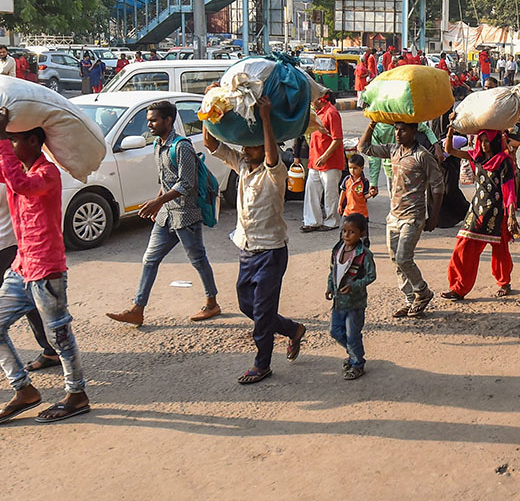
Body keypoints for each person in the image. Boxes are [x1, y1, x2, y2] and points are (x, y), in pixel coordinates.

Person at [203, 96, 307, 384]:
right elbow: (211, 144)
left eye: (252, 146)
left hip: (271, 251)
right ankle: (293, 330)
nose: (246, 150)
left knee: (262, 312)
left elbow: (272, 156)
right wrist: (207, 107)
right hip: (247, 250)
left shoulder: (276, 173)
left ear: (264, 147)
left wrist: (265, 118)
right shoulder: (242, 165)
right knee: (247, 306)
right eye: (245, 146)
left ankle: (262, 364)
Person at [0, 108, 90, 423]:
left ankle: (76, 394)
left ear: (34, 141)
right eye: (9, 140)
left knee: (59, 337)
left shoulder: (47, 173)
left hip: (46, 270)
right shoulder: (19, 169)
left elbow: (21, 184)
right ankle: (24, 389)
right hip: (21, 267)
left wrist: (1, 138)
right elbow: (9, 174)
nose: (10, 145)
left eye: (15, 140)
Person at [107, 101, 220, 327]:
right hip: (166, 214)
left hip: (186, 214)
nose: (149, 124)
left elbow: (185, 183)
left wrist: (158, 201)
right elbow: (165, 179)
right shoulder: (158, 144)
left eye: (154, 120)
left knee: (198, 259)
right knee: (150, 259)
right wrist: (159, 204)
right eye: (148, 120)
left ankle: (212, 303)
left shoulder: (182, 147)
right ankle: (137, 309)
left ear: (168, 121)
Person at [359, 120, 444, 317]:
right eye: (396, 130)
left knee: (403, 258)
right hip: (394, 215)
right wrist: (371, 124)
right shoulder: (393, 150)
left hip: (413, 216)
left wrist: (434, 217)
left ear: (414, 131)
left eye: (403, 130)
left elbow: (437, 187)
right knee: (395, 261)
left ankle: (422, 292)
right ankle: (410, 300)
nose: (398, 134)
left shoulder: (422, 155)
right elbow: (364, 148)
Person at [441, 127, 516, 301]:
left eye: (487, 141)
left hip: (497, 213)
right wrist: (451, 131)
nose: (483, 145)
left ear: (494, 141)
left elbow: (509, 189)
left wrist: (511, 215)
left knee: (500, 251)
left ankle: (504, 283)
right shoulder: (476, 157)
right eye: (481, 141)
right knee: (463, 246)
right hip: (476, 210)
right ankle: (458, 288)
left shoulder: (504, 161)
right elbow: (450, 150)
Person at [0, 183, 59, 373]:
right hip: (14, 244)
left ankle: (53, 350)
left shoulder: (8, 174)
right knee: (30, 297)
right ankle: (52, 349)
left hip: (7, 245)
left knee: (29, 297)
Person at [326, 213, 376, 380]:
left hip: (355, 303)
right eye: (344, 231)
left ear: (362, 233)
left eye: (352, 232)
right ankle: (354, 353)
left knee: (353, 334)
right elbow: (332, 271)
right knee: (335, 331)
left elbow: (371, 276)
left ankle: (357, 364)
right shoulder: (337, 249)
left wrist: (354, 286)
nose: (346, 235)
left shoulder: (364, 254)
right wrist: (330, 287)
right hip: (339, 301)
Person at [301, 94, 345, 232]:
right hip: (315, 160)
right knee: (311, 191)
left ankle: (332, 221)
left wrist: (325, 156)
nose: (311, 102)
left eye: (313, 99)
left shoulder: (331, 113)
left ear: (320, 99)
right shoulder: (316, 113)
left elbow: (337, 138)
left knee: (330, 193)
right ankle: (312, 221)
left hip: (330, 162)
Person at [338, 154, 374, 246]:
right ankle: (343, 248)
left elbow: (364, 196)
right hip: (348, 211)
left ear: (361, 168)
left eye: (355, 168)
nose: (352, 171)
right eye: (350, 168)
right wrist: (340, 204)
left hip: (361, 213)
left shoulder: (364, 182)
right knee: (342, 231)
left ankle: (364, 250)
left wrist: (371, 194)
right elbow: (343, 192)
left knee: (363, 235)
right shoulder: (347, 179)